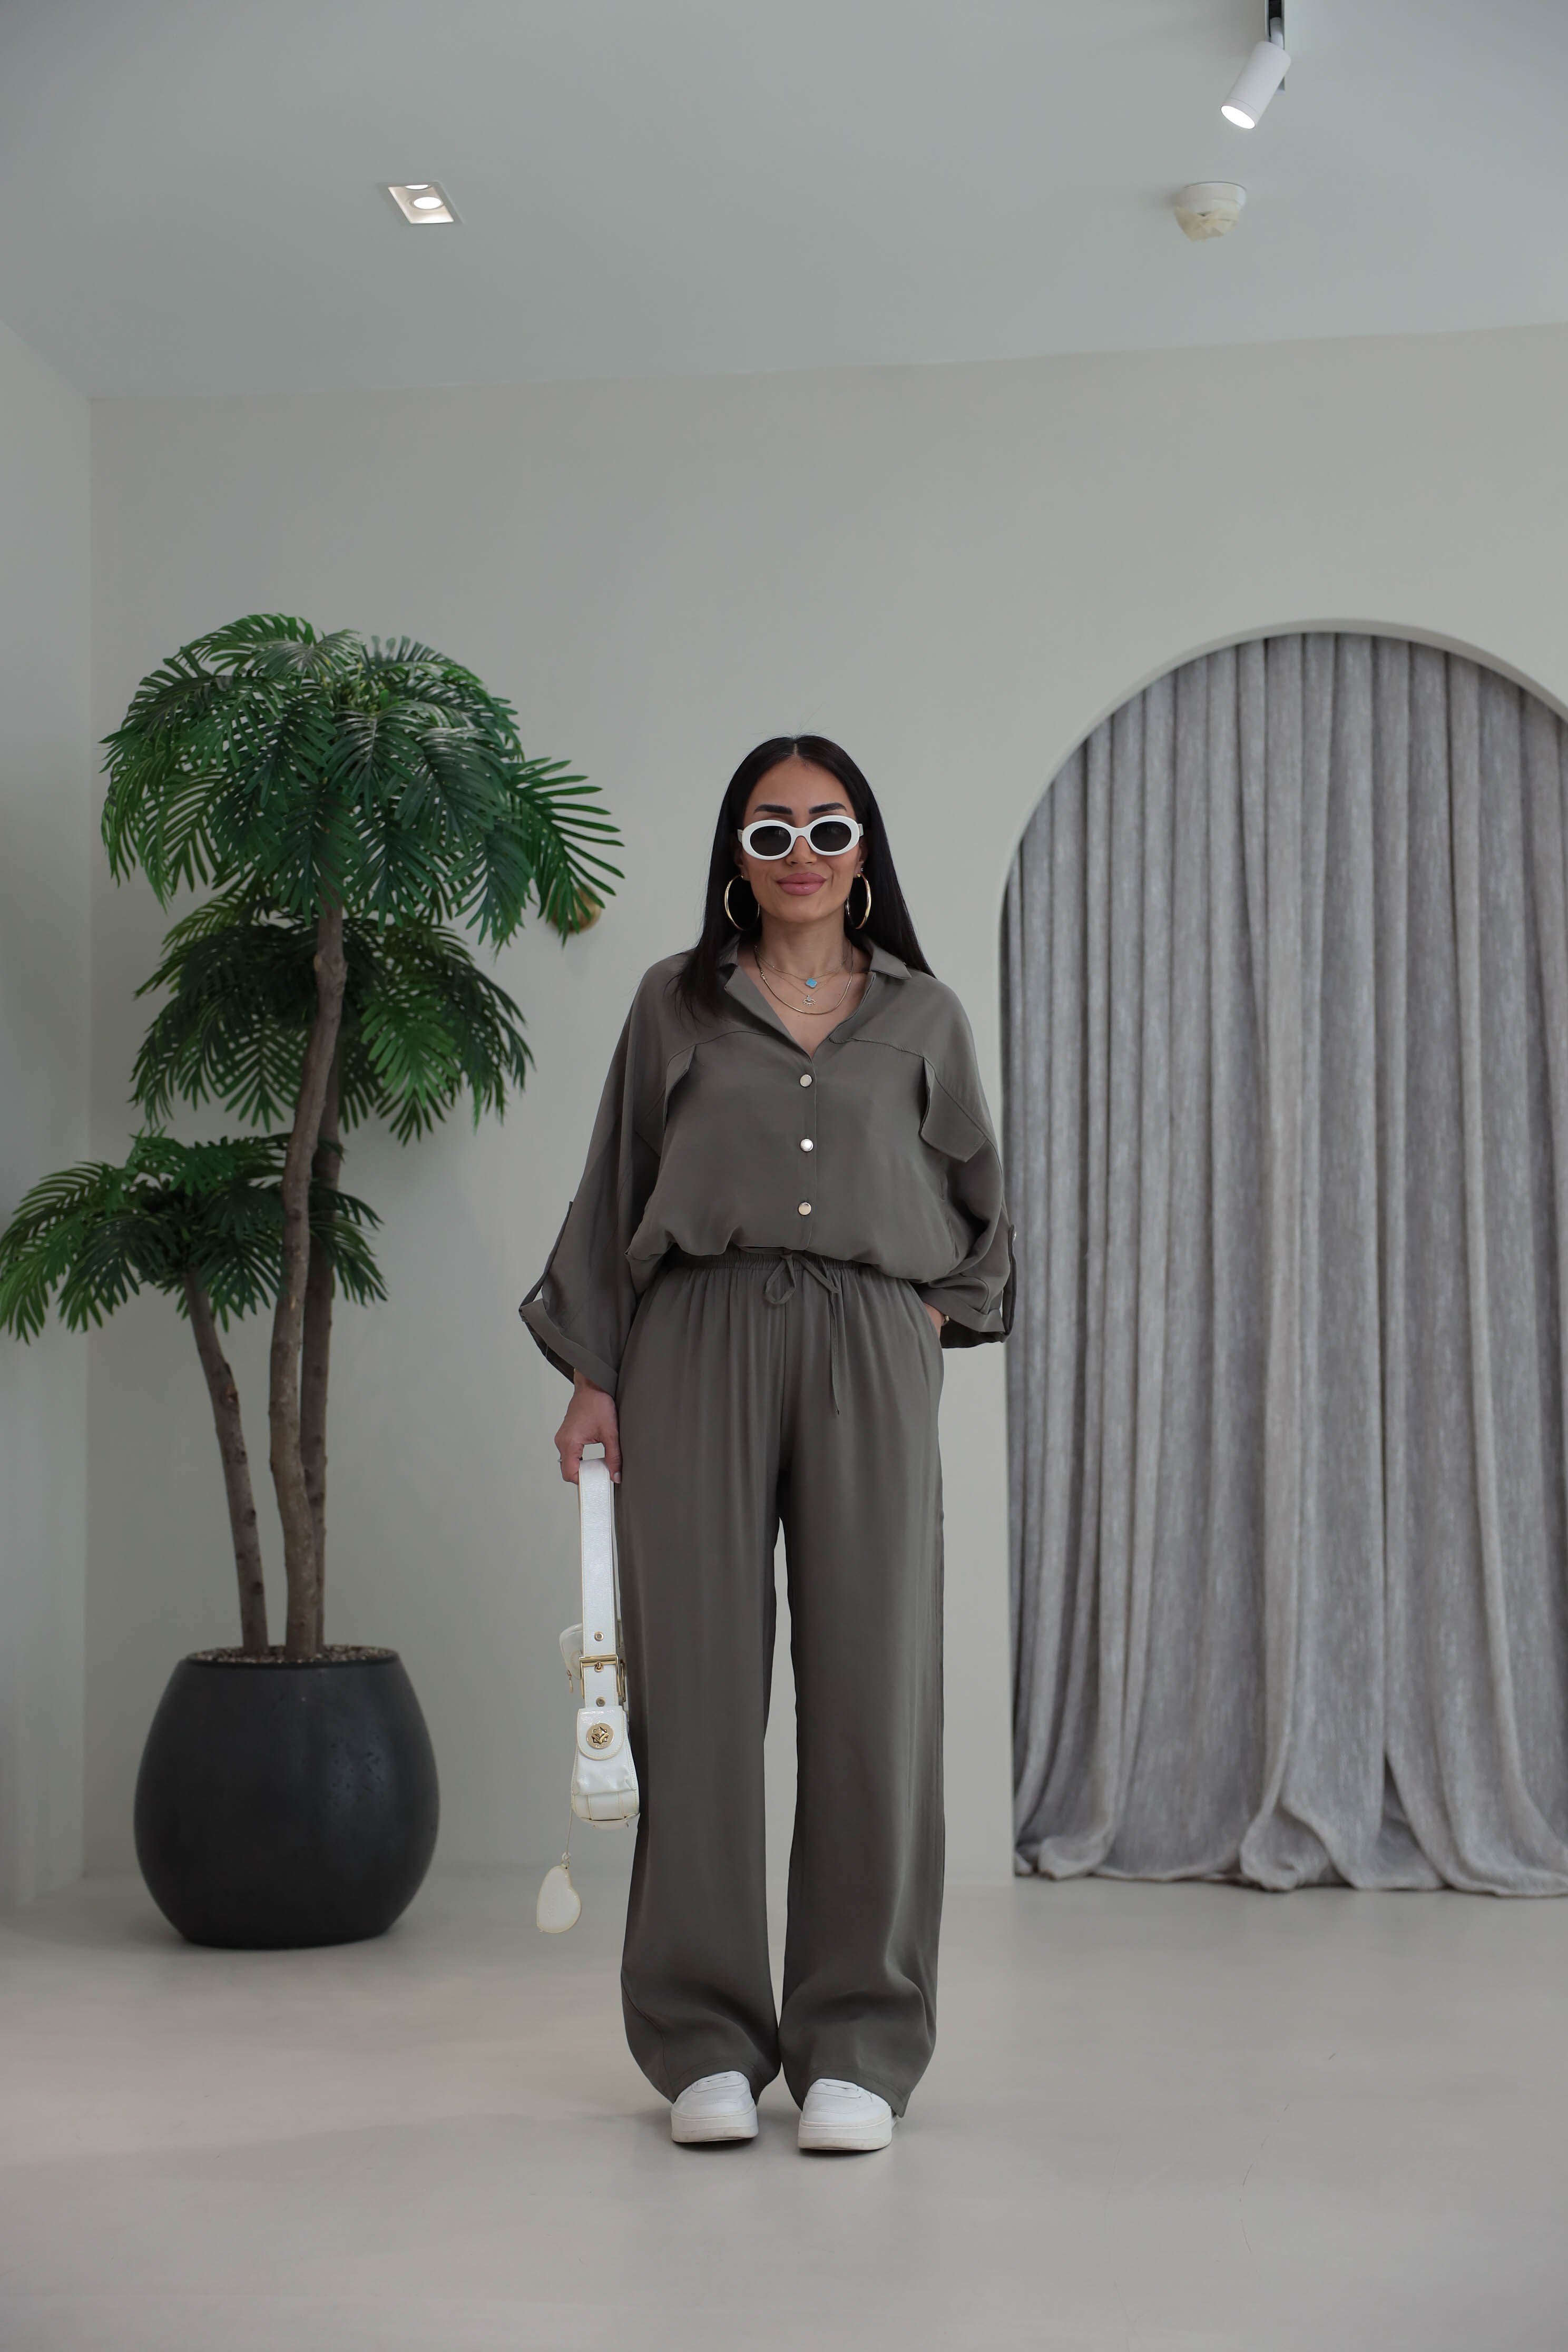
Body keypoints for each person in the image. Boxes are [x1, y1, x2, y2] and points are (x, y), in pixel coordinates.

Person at [519, 734, 1013, 2154]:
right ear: (737, 853)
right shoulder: (674, 1004)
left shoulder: (925, 1017)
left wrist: (920, 1319)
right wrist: (595, 1375)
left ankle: (859, 2040)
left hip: (868, 1345)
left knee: (875, 1692)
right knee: (695, 1689)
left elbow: (985, 1209)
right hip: (697, 1341)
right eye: (772, 829)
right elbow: (617, 1182)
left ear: (865, 851)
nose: (802, 853)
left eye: (828, 827)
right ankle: (704, 2043)